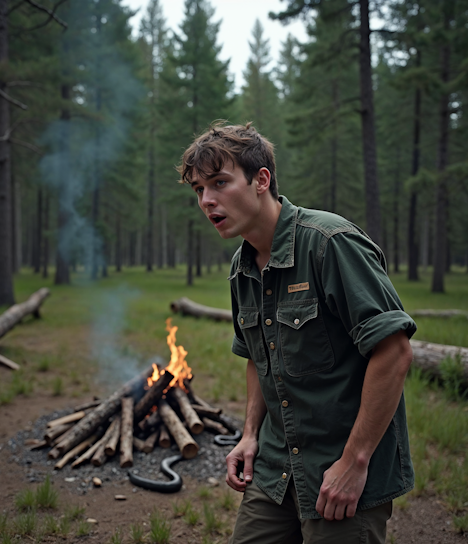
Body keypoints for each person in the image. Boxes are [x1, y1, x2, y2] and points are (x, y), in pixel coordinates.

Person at [178, 122, 417, 544]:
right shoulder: (242, 267)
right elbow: (256, 355)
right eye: (199, 189)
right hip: (273, 470)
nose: (207, 200)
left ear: (261, 181)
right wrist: (250, 435)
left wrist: (355, 462)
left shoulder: (329, 243)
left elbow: (394, 353)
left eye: (219, 183)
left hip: (339, 473)